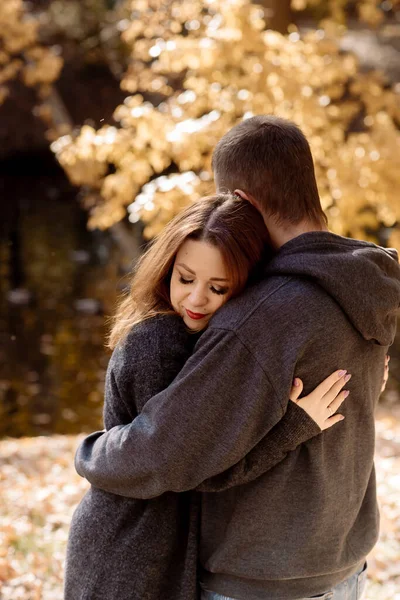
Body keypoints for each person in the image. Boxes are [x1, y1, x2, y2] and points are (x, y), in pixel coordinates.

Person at [75, 117, 400, 600]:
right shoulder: (367, 283)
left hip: (259, 579)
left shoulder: (259, 318)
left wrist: (91, 453)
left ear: (243, 202)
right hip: (342, 566)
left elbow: (165, 452)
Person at [65, 193, 349, 600]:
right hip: (131, 548)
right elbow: (192, 466)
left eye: (218, 288)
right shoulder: (161, 343)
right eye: (185, 279)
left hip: (146, 537)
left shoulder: (191, 339)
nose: (196, 300)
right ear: (166, 269)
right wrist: (292, 427)